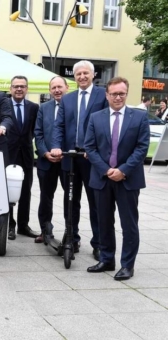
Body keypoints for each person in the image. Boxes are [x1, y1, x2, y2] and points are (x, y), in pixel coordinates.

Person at [84, 77, 149, 281]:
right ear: (107, 95)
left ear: (126, 93)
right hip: (102, 178)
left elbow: (142, 147)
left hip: (128, 179)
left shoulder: (138, 117)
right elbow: (90, 147)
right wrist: (106, 170)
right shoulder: (96, 117)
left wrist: (123, 170)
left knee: (129, 224)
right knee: (103, 221)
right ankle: (107, 258)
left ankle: (127, 265)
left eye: (121, 93)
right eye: (114, 94)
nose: (118, 97)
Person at [51, 60, 109, 261]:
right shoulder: (68, 99)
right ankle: (72, 238)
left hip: (93, 159)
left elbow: (107, 126)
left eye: (86, 73)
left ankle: (99, 243)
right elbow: (59, 126)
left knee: (96, 203)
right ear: (73, 77)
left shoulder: (103, 95)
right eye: (78, 74)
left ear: (93, 75)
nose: (82, 77)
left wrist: (97, 150)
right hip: (71, 158)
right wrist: (57, 146)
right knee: (70, 202)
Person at [34, 76, 69, 244]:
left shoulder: (72, 106)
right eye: (53, 87)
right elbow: (38, 133)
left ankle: (71, 234)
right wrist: (45, 153)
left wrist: (66, 152)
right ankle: (45, 230)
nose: (57, 90)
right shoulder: (44, 108)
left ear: (67, 87)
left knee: (70, 198)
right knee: (45, 197)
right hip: (46, 161)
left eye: (60, 87)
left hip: (67, 161)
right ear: (49, 90)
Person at [6, 75, 40, 240]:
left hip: (26, 155)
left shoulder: (34, 107)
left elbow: (35, 130)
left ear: (27, 89)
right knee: (8, 191)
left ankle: (23, 225)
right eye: (16, 86)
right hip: (8, 155)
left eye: (22, 86)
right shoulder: (4, 105)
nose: (19, 89)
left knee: (26, 190)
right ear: (10, 88)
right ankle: (9, 225)